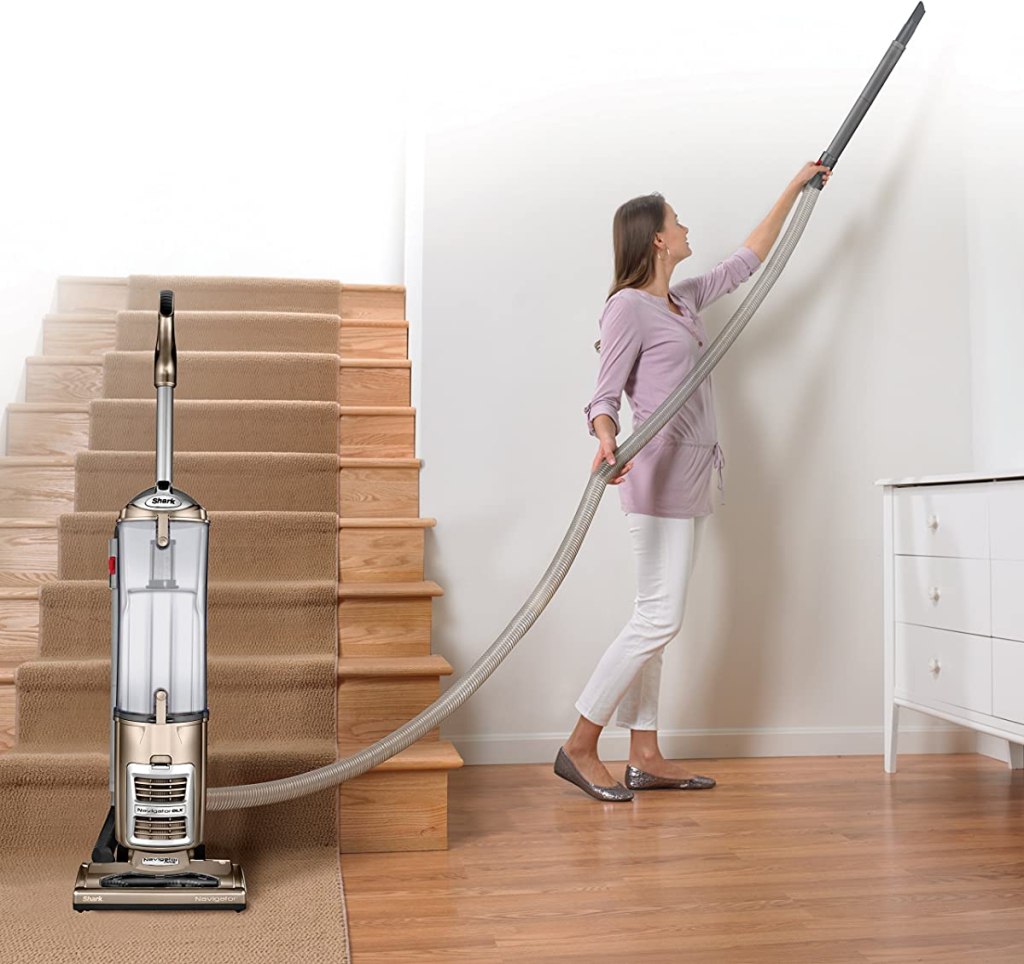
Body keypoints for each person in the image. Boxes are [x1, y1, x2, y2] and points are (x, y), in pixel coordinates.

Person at [554, 161, 832, 801]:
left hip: (696, 472)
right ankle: (578, 743)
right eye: (676, 222)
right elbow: (603, 397)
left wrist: (794, 187)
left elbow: (748, 260)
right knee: (659, 618)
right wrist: (605, 441)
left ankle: (644, 752)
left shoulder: (681, 301)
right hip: (654, 473)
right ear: (655, 238)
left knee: (654, 616)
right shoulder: (627, 308)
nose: (685, 228)